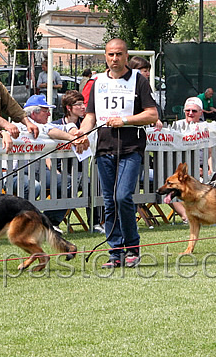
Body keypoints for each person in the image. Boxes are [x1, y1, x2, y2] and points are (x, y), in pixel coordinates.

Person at [76, 38, 158, 269]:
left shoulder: (138, 81)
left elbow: (152, 115)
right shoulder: (97, 82)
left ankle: (132, 248)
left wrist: (124, 120)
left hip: (131, 148)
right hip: (104, 148)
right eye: (111, 54)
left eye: (119, 54)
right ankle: (116, 252)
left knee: (123, 196)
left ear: (126, 56)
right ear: (105, 56)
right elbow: (90, 116)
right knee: (110, 201)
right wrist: (82, 133)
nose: (115, 59)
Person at [53, 90, 105, 233]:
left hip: (81, 170)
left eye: (84, 104)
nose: (83, 107)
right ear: (69, 108)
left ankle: (95, 223)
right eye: (79, 104)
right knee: (69, 182)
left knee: (94, 185)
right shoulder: (57, 124)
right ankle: (52, 222)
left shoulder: (86, 125)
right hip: (61, 169)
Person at [128, 56, 162, 129]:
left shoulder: (144, 85)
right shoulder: (125, 86)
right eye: (145, 71)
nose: (148, 74)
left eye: (148, 71)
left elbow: (151, 108)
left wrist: (155, 119)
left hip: (139, 130)